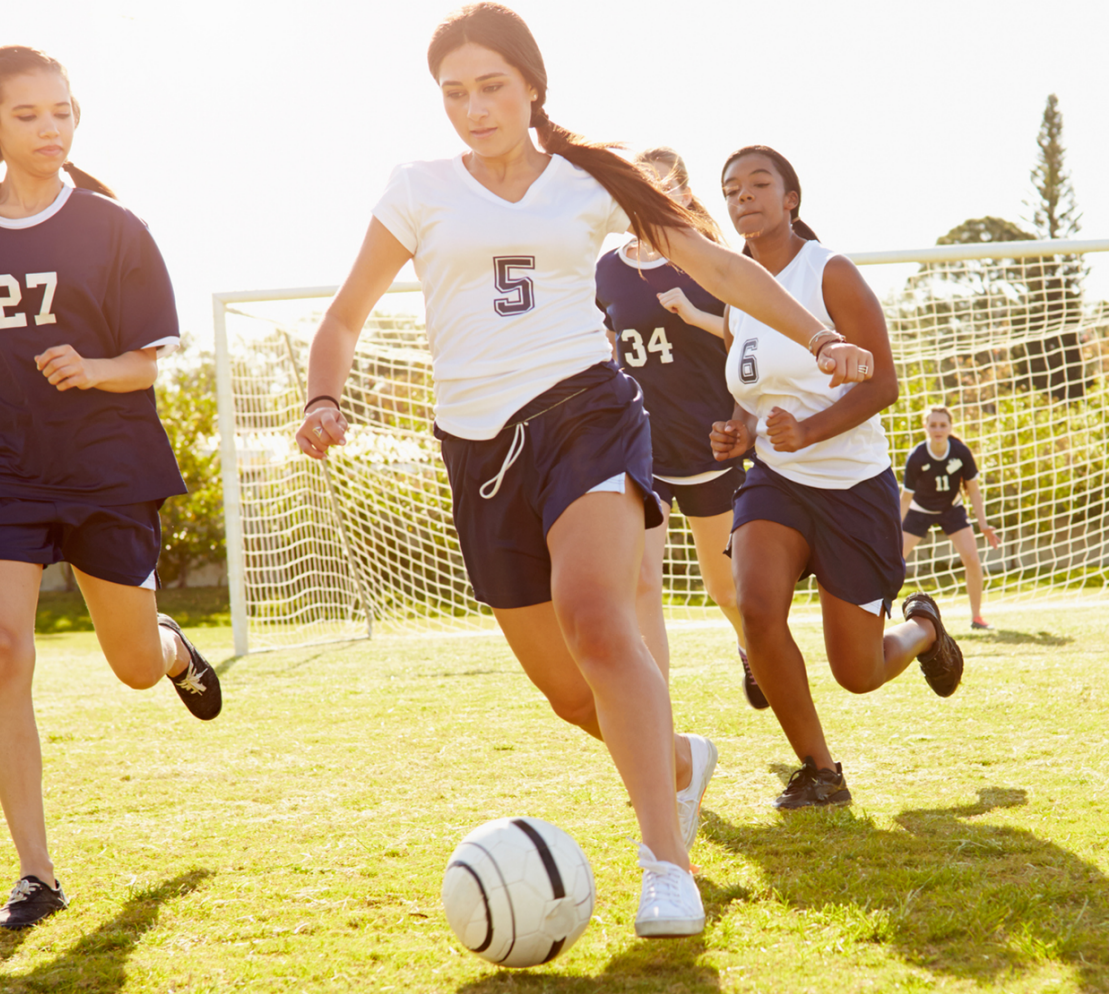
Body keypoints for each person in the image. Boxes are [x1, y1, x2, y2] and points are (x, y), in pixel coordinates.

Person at [295, 5, 873, 936]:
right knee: (572, 693)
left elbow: (720, 269)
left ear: (532, 86)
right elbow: (343, 318)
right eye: (454, 93)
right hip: (477, 451)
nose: (474, 108)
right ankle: (676, 761)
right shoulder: (417, 187)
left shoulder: (589, 182)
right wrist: (324, 398)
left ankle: (666, 866)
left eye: (491, 86)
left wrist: (819, 334)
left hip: (586, 418)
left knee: (601, 624)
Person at [0, 46, 221, 929]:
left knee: (133, 668)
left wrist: (93, 367)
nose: (51, 128)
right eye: (29, 115)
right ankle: (37, 872)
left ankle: (170, 645)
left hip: (106, 465)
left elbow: (145, 368)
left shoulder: (114, 227)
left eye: (63, 111)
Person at [710, 145, 963, 811]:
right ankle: (820, 772)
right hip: (777, 482)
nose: (744, 197)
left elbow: (884, 383)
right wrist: (737, 428)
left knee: (858, 671)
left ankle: (924, 628)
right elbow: (749, 383)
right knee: (758, 609)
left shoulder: (831, 273)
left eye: (759, 184)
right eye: (732, 189)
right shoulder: (735, 294)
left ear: (790, 198)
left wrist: (812, 430)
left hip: (853, 486)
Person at [594, 147, 765, 711]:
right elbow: (607, 342)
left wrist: (696, 317)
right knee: (642, 584)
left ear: (685, 195)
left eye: (661, 187)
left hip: (707, 443)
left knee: (726, 589)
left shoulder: (709, 260)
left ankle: (752, 649)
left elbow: (752, 341)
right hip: (637, 445)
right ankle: (656, 729)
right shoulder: (608, 270)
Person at [901, 406, 1001, 629]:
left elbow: (973, 490)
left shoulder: (960, 452)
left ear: (950, 427)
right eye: (933, 424)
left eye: (942, 425)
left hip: (951, 508)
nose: (938, 429)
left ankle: (977, 617)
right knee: (893, 561)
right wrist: (893, 528)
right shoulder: (917, 456)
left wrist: (983, 525)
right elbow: (906, 497)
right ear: (925, 426)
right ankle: (880, 613)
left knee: (972, 560)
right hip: (920, 509)